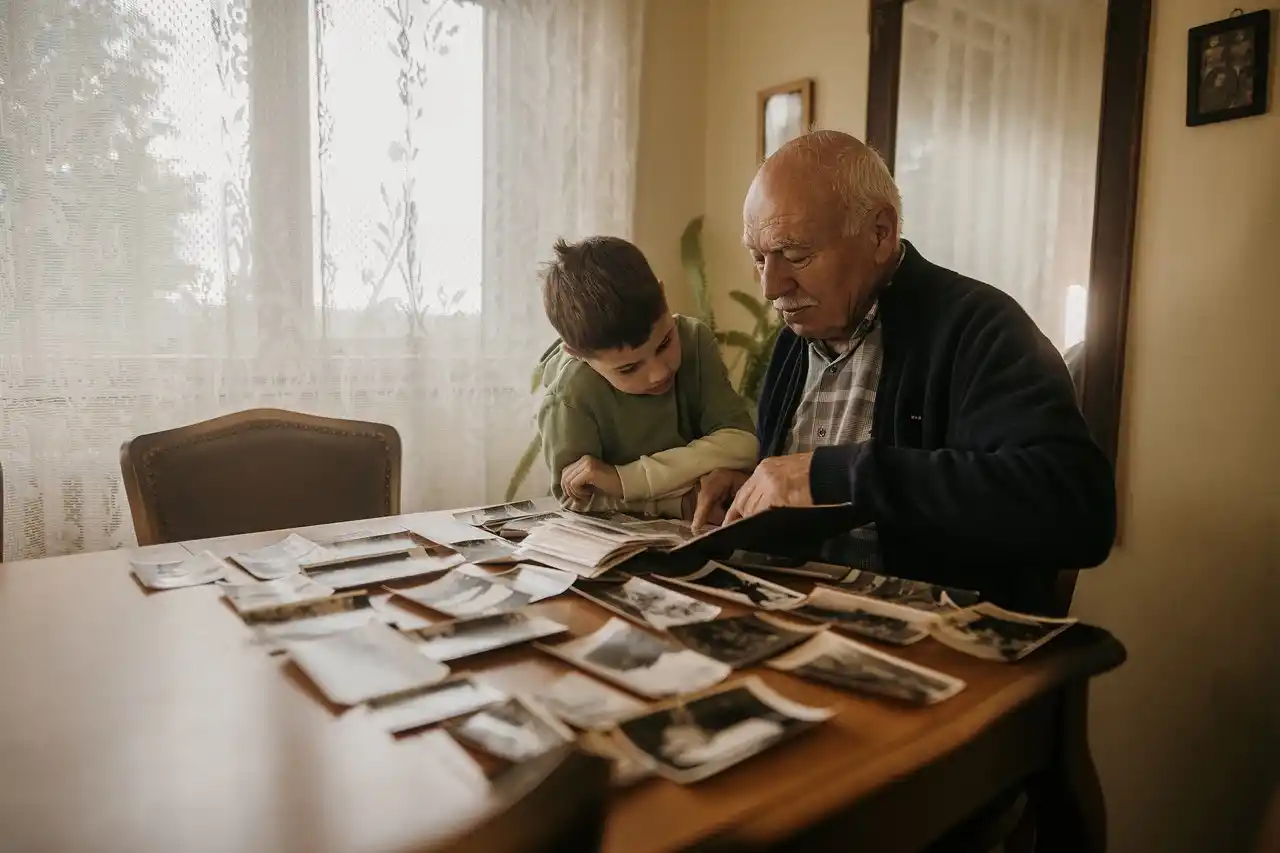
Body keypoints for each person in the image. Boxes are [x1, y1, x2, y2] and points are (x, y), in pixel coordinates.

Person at [692, 130, 1116, 614]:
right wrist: (754, 490)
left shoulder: (980, 328)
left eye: (796, 255)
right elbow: (810, 492)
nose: (771, 286)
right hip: (794, 624)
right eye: (758, 258)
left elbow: (1079, 511)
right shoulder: (794, 340)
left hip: (930, 649)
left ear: (880, 233)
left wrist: (837, 474)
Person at [537, 236, 757, 517]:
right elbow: (578, 500)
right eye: (628, 368)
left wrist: (625, 479)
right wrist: (678, 503)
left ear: (664, 296)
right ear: (578, 354)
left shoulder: (695, 340)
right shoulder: (570, 395)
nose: (659, 373)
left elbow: (743, 443)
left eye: (664, 343)